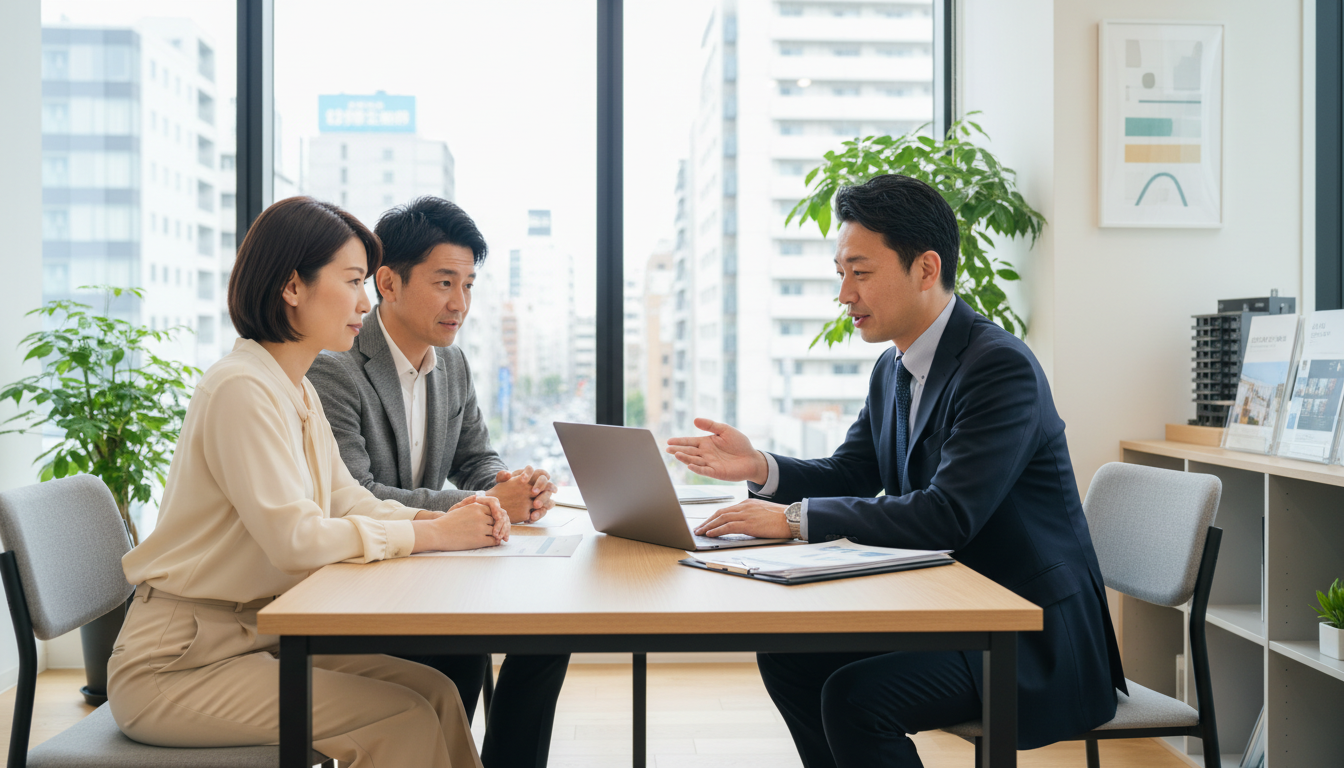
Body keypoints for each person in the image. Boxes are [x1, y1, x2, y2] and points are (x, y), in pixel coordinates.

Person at [666, 174, 1125, 767]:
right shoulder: (894, 369)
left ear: (926, 269)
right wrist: (759, 466)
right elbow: (851, 473)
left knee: (856, 699)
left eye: (860, 273)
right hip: (948, 606)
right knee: (789, 656)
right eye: (841, 274)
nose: (844, 295)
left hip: (1028, 633)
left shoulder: (998, 368)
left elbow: (947, 515)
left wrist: (792, 520)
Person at [109, 196, 511, 768]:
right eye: (351, 282)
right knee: (403, 716)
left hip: (257, 639)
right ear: (293, 286)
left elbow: (346, 497)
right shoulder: (241, 389)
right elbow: (295, 540)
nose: (365, 302)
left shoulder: (293, 387)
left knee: (436, 692)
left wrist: (434, 518)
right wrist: (433, 535)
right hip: (179, 664)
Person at [307, 196, 568, 768]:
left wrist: (513, 485)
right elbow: (356, 494)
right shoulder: (334, 367)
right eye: (445, 282)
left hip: (432, 567)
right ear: (388, 283)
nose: (460, 303)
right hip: (365, 578)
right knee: (462, 650)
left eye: (469, 285)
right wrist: (483, 503)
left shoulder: (452, 364)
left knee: (550, 637)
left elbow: (475, 457)